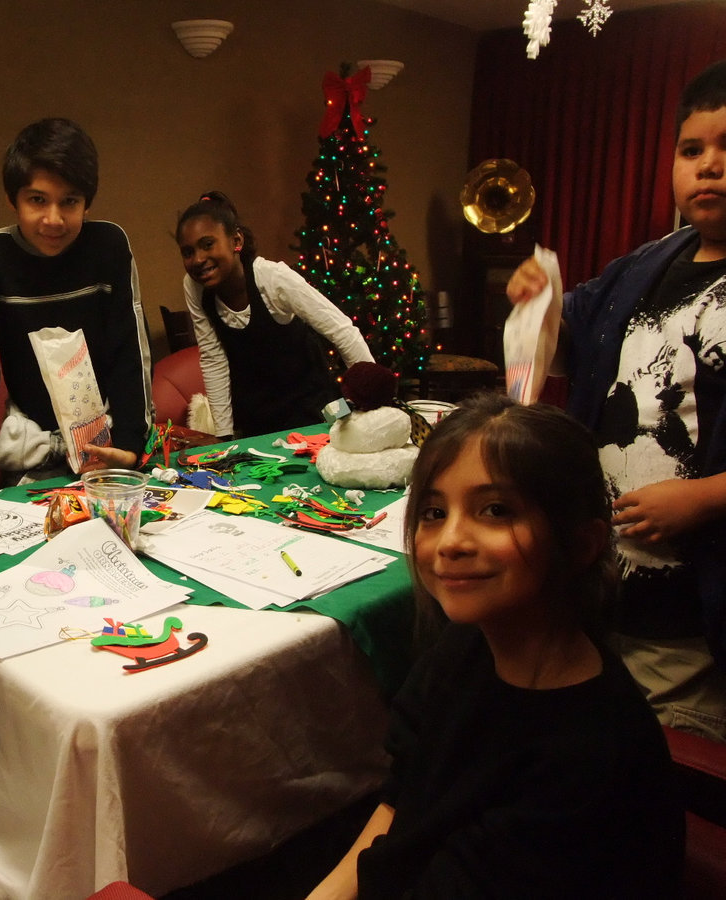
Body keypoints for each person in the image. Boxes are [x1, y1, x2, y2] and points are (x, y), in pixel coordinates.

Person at [307, 393, 684, 899]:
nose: (450, 541)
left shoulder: (588, 759)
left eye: (495, 509)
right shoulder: (463, 649)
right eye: (434, 511)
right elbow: (401, 803)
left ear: (579, 545)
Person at [505, 59, 726, 741]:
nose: (709, 167)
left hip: (692, 624)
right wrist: (537, 305)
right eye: (692, 150)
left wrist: (706, 497)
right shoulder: (646, 263)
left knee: (655, 774)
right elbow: (572, 346)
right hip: (602, 593)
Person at [0, 117, 153, 490]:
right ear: (13, 199)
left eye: (69, 201)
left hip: (106, 446)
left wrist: (131, 444)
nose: (53, 219)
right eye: (37, 200)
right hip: (30, 447)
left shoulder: (109, 246)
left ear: (87, 203)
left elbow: (130, 352)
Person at [176, 191, 374, 438]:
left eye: (207, 245)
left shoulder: (273, 278)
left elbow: (343, 332)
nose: (198, 259)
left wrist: (373, 403)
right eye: (187, 252)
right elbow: (213, 359)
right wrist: (224, 437)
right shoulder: (194, 286)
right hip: (256, 420)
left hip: (314, 413)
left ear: (236, 241)